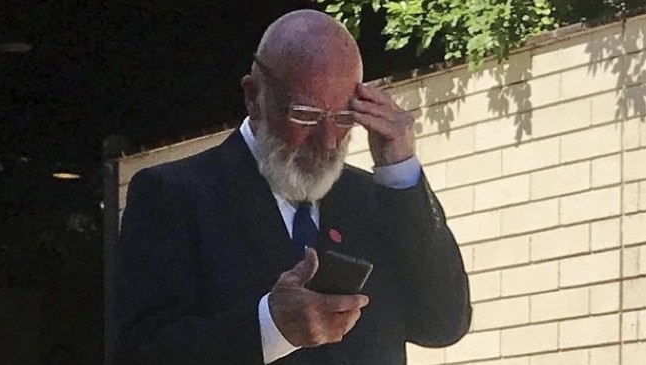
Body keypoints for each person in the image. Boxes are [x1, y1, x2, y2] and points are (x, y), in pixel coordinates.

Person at [113, 9, 471, 365]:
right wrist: (270, 328)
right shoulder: (173, 195)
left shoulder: (374, 200)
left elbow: (443, 322)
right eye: (305, 115)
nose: (328, 141)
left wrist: (401, 172)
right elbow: (140, 353)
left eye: (345, 118)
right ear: (254, 97)